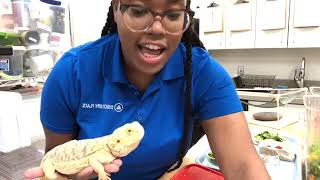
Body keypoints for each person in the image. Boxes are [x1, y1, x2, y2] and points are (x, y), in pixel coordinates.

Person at [24, 0, 271, 179]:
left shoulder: (204, 75)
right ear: (116, 9)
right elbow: (57, 158)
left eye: (173, 15)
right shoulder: (71, 72)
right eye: (139, 11)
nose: (156, 28)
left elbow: (243, 167)